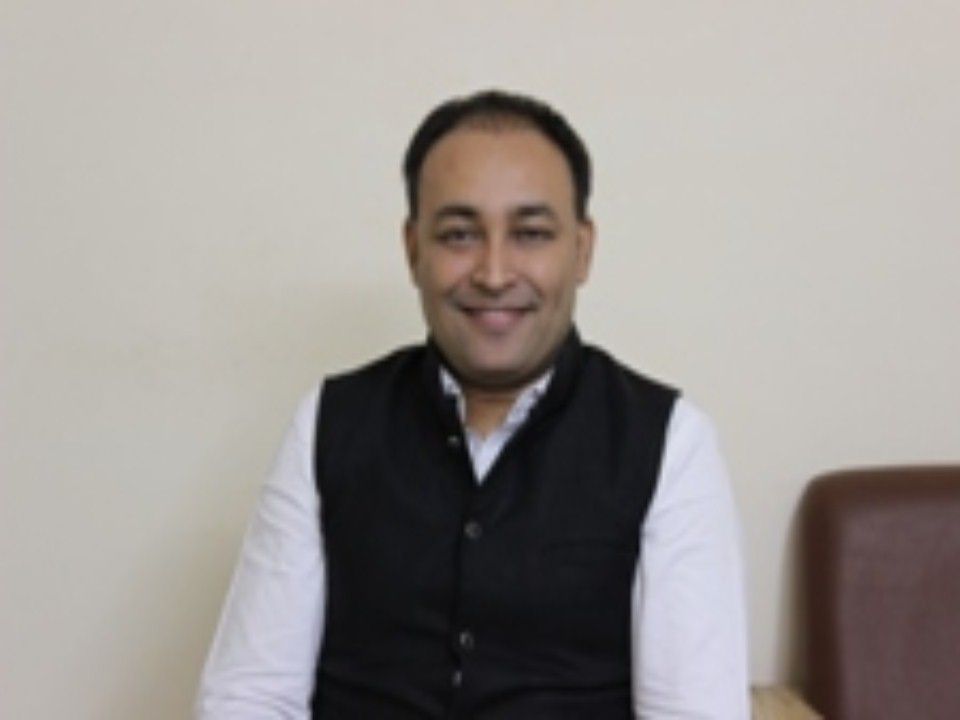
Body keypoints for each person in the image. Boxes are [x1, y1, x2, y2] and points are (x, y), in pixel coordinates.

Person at [196, 90, 749, 719]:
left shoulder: (670, 442)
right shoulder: (327, 424)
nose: (493, 273)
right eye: (459, 235)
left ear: (582, 250)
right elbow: (251, 695)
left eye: (530, 234)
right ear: (413, 250)